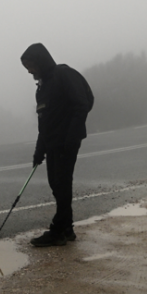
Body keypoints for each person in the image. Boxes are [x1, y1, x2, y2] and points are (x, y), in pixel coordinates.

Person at [21, 42, 94, 247]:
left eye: (31, 66)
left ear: (41, 61)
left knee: (61, 184)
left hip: (67, 142)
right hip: (52, 143)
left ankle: (58, 231)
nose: (29, 71)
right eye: (26, 67)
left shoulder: (64, 75)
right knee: (56, 184)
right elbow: (44, 124)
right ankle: (67, 229)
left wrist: (70, 139)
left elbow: (81, 105)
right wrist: (39, 151)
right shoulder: (42, 88)